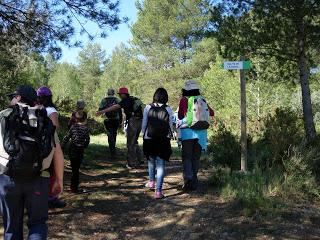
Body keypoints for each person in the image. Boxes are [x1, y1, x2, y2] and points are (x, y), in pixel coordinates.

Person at [0, 85, 64, 239]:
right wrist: (59, 181)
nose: (11, 100)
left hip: (8, 178)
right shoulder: (44, 118)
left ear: (19, 98)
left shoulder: (3, 115)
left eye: (13, 96)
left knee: (12, 226)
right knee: (38, 223)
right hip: (39, 178)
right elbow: (58, 153)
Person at [178, 80, 215, 192]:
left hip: (187, 133)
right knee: (195, 158)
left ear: (185, 90)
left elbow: (180, 115)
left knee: (187, 157)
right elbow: (212, 113)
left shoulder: (184, 100)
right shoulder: (202, 99)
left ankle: (188, 180)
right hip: (201, 134)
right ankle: (194, 180)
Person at [96, 87, 144, 169]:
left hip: (133, 122)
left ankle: (131, 163)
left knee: (130, 143)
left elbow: (115, 107)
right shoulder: (133, 99)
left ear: (123, 94)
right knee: (134, 140)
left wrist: (102, 111)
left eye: (120, 94)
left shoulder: (125, 101)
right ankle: (140, 159)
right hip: (140, 121)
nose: (120, 96)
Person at [37, 86, 67, 208]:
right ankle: (52, 198)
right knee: (53, 171)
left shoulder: (37, 108)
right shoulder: (51, 110)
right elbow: (55, 126)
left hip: (39, 144)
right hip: (50, 143)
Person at [142, 88, 173, 199]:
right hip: (163, 140)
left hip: (149, 138)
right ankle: (158, 192)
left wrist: (143, 135)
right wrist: (170, 136)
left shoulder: (148, 107)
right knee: (161, 166)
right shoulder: (168, 109)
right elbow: (170, 125)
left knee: (151, 161)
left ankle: (151, 182)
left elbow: (144, 123)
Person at [62, 112, 90, 193]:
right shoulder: (86, 129)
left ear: (76, 119)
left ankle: (72, 187)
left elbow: (66, 137)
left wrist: (62, 147)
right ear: (85, 119)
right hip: (80, 150)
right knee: (76, 170)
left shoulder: (73, 127)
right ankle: (74, 188)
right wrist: (84, 146)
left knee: (74, 168)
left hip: (72, 149)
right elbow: (87, 140)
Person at [98, 89, 123, 158]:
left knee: (109, 134)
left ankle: (111, 150)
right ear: (113, 93)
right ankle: (113, 149)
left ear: (107, 93)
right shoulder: (117, 100)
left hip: (107, 120)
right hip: (116, 120)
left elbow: (100, 110)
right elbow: (120, 111)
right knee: (114, 133)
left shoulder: (104, 100)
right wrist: (121, 121)